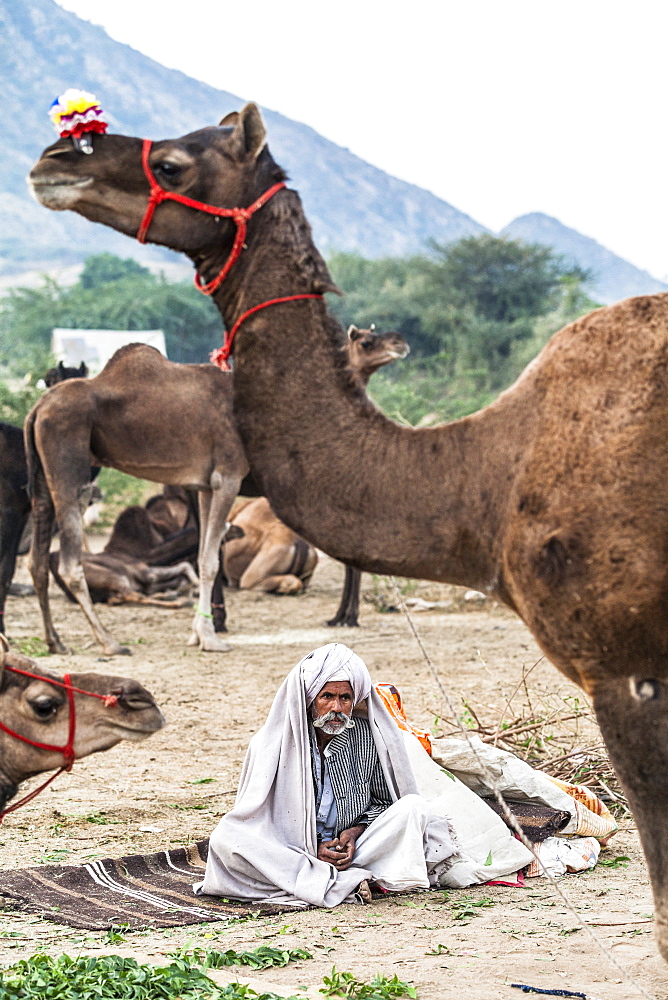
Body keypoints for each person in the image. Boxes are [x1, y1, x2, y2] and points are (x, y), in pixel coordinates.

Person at [194, 643, 458, 907]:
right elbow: (257, 820)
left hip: (355, 849)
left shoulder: (368, 738)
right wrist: (312, 848)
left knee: (414, 807)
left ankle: (341, 877)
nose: (337, 708)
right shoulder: (269, 743)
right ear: (309, 700)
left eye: (345, 698)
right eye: (327, 696)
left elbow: (384, 803)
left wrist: (354, 833)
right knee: (226, 841)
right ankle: (345, 879)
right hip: (292, 852)